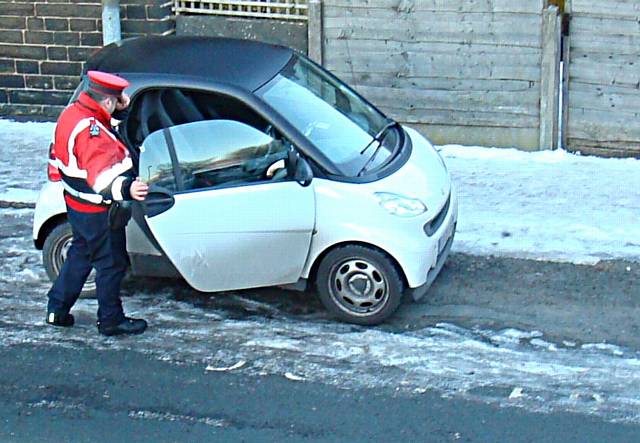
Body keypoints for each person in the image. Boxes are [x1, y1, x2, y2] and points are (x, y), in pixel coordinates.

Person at [45, 70, 149, 336]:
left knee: (81, 253)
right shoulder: (91, 131)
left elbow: (102, 130)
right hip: (99, 209)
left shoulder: (73, 114)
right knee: (111, 264)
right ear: (106, 102)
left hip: (78, 206)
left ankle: (57, 308)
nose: (118, 103)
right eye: (116, 100)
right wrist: (128, 188)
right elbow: (101, 177)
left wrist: (120, 111)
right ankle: (111, 321)